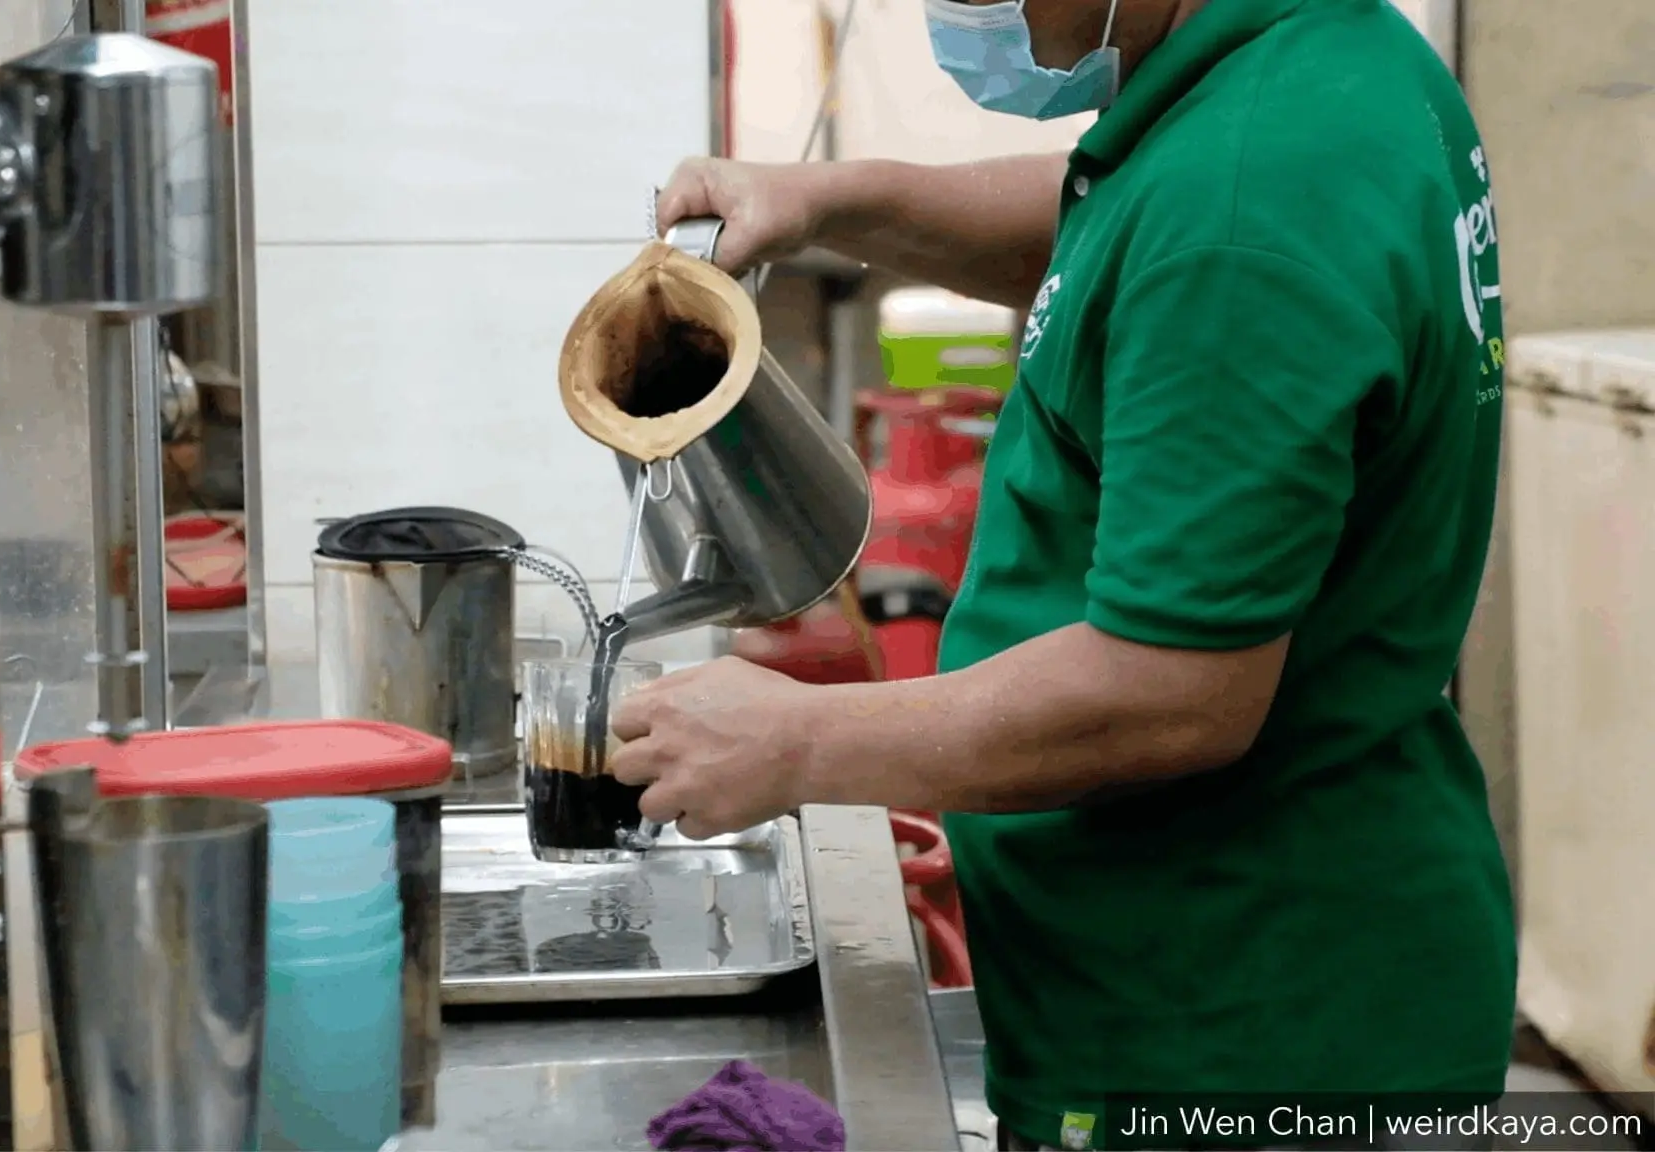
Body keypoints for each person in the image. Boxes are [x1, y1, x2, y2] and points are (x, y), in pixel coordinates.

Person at [611, 0, 1514, 1148]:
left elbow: (1172, 691)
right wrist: (832, 200)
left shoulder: (1242, 211)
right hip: (1303, 954)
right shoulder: (1326, 62)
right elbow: (1121, 223)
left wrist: (796, 743)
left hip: (1230, 1031)